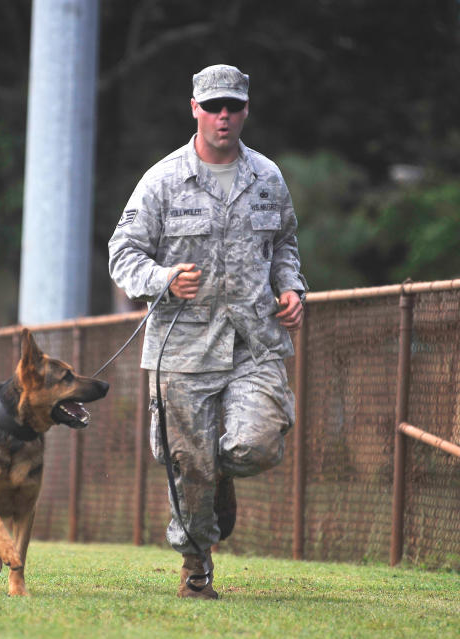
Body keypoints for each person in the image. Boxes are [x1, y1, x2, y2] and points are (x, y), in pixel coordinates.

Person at [108, 64, 307, 599]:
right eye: (213, 106)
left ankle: (218, 482)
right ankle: (196, 570)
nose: (224, 116)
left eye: (233, 106)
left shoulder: (267, 176)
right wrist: (164, 279)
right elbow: (122, 255)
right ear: (194, 108)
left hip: (254, 341)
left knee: (258, 443)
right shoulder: (163, 180)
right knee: (186, 464)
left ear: (246, 109)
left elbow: (285, 244)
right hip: (182, 347)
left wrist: (291, 289)